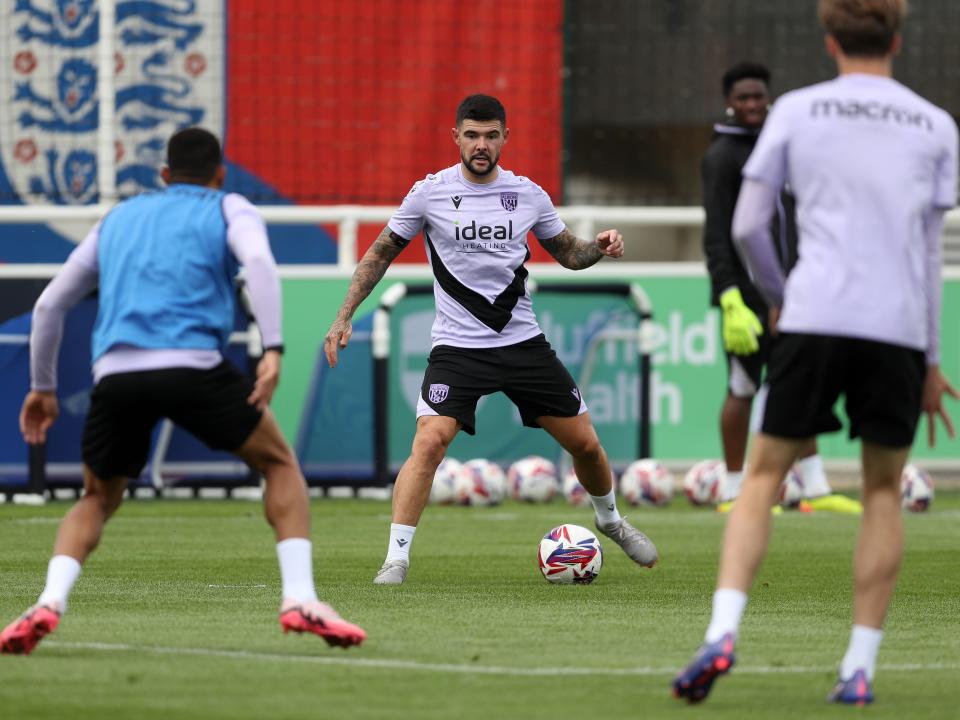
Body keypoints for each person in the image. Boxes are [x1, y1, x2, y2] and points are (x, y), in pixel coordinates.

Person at [674, 0, 957, 705]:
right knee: (884, 490)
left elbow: (747, 226)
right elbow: (929, 255)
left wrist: (781, 295)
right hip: (894, 327)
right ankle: (858, 665)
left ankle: (722, 633)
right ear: (897, 36)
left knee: (763, 479)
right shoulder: (934, 124)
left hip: (814, 314)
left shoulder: (797, 112)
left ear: (829, 39)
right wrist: (928, 357)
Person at [0, 128, 365, 654]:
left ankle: (49, 601)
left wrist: (43, 389)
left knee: (97, 498)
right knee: (280, 465)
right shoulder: (228, 206)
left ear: (163, 175)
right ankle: (301, 598)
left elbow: (49, 306)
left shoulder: (117, 218)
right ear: (219, 175)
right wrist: (275, 346)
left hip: (117, 376)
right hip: (195, 369)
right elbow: (260, 264)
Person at [324, 94, 658, 585]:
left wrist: (600, 249)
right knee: (430, 442)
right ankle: (396, 558)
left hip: (523, 344)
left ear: (505, 137)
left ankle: (609, 520)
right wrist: (343, 315)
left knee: (585, 445)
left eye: (492, 135)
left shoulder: (528, 194)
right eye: (473, 135)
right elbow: (379, 253)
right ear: (456, 137)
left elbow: (568, 254)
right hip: (458, 349)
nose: (482, 145)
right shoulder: (429, 193)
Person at [702, 61, 859, 514]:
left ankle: (815, 488)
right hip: (746, 297)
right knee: (742, 387)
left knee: (798, 384)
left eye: (758, 96)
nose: (752, 105)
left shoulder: (783, 147)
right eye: (743, 97)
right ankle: (733, 490)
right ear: (729, 102)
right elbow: (717, 232)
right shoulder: (722, 156)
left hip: (793, 293)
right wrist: (729, 295)